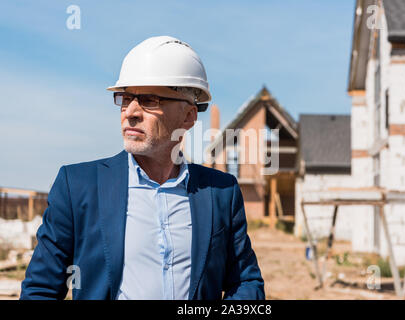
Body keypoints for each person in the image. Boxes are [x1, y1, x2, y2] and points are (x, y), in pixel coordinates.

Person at [20, 36, 265, 300]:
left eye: (149, 100)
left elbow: (246, 283)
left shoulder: (221, 192)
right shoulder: (78, 186)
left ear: (188, 116)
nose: (131, 112)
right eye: (126, 99)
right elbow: (40, 290)